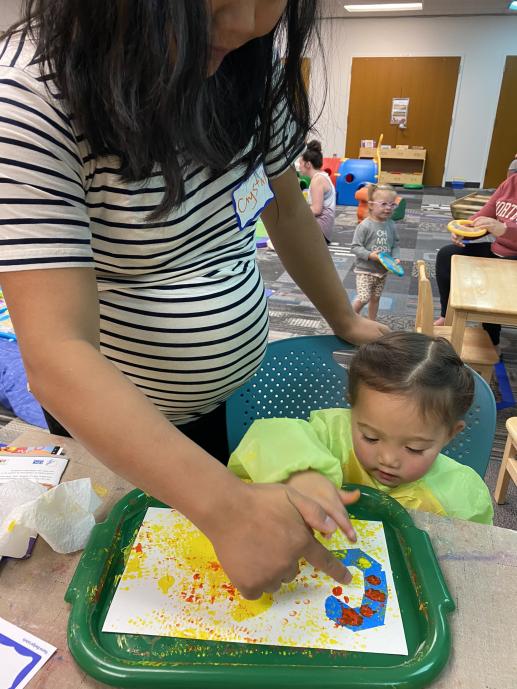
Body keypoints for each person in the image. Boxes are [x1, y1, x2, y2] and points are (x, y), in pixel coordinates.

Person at [0, 1, 390, 600]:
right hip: (122, 421)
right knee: (139, 573)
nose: (244, 26)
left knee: (215, 563)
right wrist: (228, 508)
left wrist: (343, 316)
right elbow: (57, 350)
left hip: (230, 397)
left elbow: (284, 208)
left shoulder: (243, 59)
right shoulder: (29, 90)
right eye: (215, 3)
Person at [229, 331, 493, 525]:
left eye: (414, 448)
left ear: (450, 434)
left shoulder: (461, 494)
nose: (388, 459)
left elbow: (471, 558)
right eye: (370, 437)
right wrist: (302, 473)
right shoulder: (331, 434)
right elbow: (267, 436)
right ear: (351, 410)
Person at [434, 175, 517, 348]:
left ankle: (491, 338)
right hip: (498, 250)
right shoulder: (511, 182)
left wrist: (505, 229)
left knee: (493, 278)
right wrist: (466, 228)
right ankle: (446, 315)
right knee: (447, 255)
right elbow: (487, 213)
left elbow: (500, 227)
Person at [351, 184, 401, 321]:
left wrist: (395, 258)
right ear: (371, 205)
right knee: (363, 297)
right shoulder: (365, 226)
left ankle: (372, 322)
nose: (388, 208)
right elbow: (355, 247)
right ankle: (349, 319)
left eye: (392, 204)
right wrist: (370, 255)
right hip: (365, 270)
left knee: (376, 298)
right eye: (384, 204)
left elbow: (395, 245)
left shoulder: (391, 225)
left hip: (382, 271)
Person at [298, 140, 336, 244]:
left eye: (301, 163)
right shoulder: (321, 177)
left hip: (320, 230)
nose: (299, 167)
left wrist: (297, 213)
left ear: (308, 164)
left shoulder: (317, 180)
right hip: (323, 228)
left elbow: (316, 210)